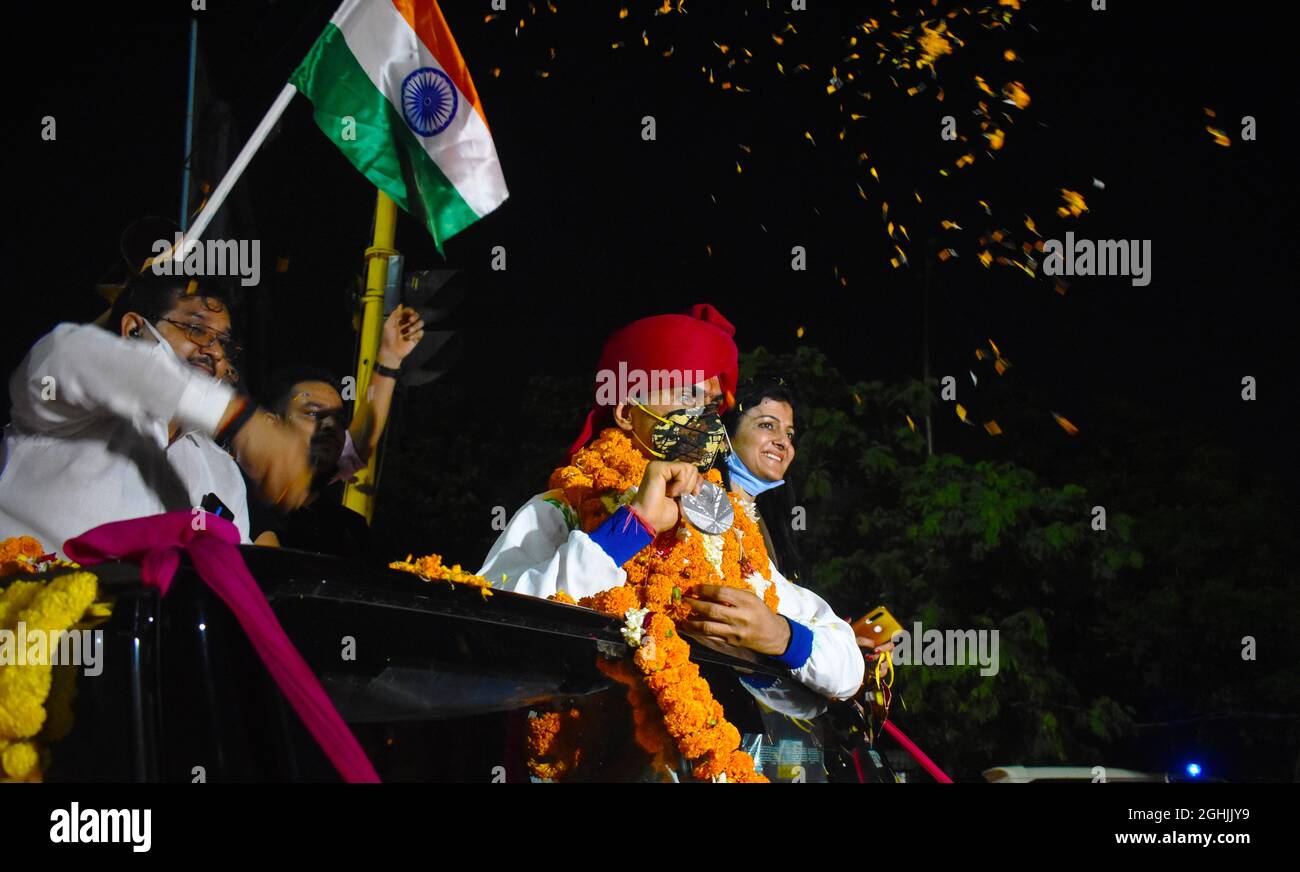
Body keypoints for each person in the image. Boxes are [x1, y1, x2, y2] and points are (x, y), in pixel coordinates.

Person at [477, 304, 863, 700]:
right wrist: (631, 528)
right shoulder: (565, 509)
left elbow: (847, 667)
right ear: (627, 412)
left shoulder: (726, 533)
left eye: (713, 407)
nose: (706, 420)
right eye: (687, 396)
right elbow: (488, 626)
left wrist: (780, 637)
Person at [0, 273, 311, 554]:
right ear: (134, 330)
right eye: (196, 328)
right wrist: (237, 417)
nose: (215, 352)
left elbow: (232, 578)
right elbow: (73, 353)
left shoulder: (222, 473)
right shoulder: (65, 406)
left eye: (224, 343)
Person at [247, 305, 425, 554]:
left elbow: (361, 441)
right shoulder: (232, 489)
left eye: (339, 419)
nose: (330, 426)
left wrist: (390, 357)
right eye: (312, 413)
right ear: (271, 423)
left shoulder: (350, 530)